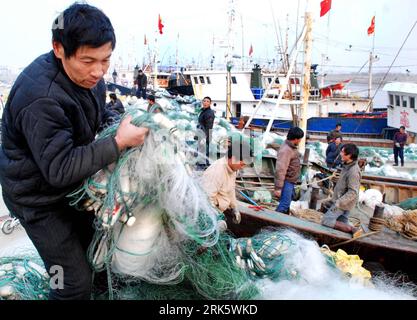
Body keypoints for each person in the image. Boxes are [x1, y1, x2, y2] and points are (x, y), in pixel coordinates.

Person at [0, 4, 149, 300]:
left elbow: (94, 113)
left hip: (69, 189)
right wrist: (118, 142)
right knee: (70, 283)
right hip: (37, 200)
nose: (98, 71)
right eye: (88, 61)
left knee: (97, 256)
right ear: (58, 48)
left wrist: (117, 119)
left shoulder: (90, 78)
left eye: (105, 60)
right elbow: (60, 169)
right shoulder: (41, 98)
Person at [201, 136, 253, 229]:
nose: (242, 167)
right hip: (209, 214)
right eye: (242, 164)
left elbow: (231, 190)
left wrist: (234, 208)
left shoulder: (233, 169)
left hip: (221, 210)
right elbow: (206, 199)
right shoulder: (217, 171)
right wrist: (216, 219)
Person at [321, 144, 362, 236]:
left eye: (343, 152)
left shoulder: (353, 172)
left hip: (343, 203)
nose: (340, 154)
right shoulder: (347, 166)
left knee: (326, 220)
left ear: (349, 155)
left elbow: (353, 192)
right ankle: (352, 229)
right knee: (342, 221)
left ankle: (353, 229)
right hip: (343, 202)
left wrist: (338, 203)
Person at [274, 127, 304, 214]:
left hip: (290, 181)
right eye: (300, 139)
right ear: (295, 139)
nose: (300, 141)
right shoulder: (286, 150)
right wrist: (278, 188)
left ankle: (283, 223)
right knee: (284, 205)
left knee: (287, 203)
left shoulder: (291, 148)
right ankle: (273, 224)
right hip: (286, 182)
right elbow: (280, 170)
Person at [197, 97, 215, 169]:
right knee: (201, 151)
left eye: (207, 101)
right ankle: (202, 166)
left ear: (210, 103)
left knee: (204, 152)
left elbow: (209, 126)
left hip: (205, 135)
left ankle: (205, 168)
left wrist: (205, 137)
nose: (205, 102)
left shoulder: (209, 113)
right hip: (201, 134)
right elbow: (201, 124)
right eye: (204, 101)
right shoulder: (203, 111)